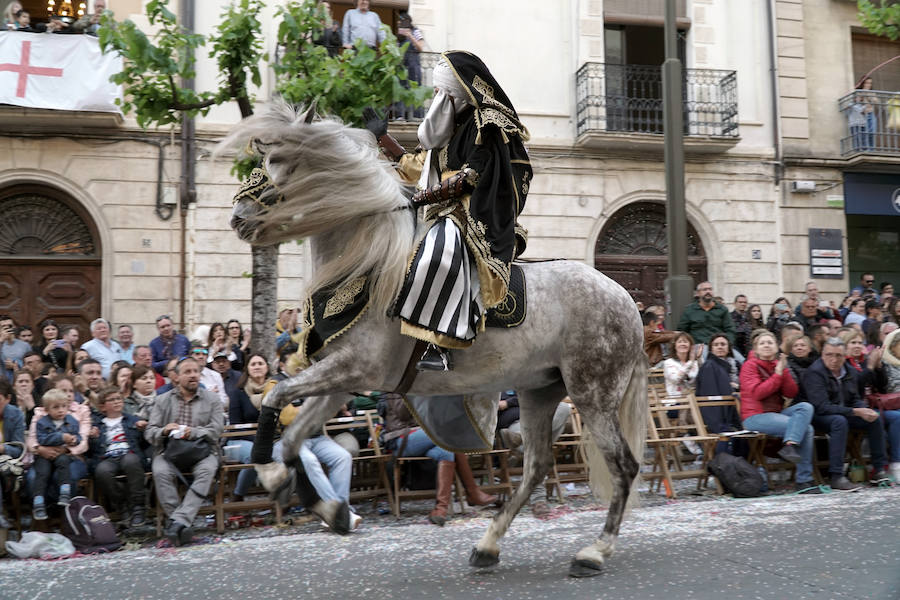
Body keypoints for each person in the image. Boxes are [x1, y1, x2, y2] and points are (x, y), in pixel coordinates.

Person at [368, 51, 533, 371]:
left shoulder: (486, 124)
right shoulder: (448, 126)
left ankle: (439, 341)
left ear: (455, 92)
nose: (434, 97)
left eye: (439, 91)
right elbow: (415, 167)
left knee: (438, 250)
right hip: (437, 206)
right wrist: (382, 137)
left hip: (474, 211)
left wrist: (422, 199)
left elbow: (470, 177)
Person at [379, 392, 498, 526]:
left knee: (447, 450)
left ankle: (440, 509)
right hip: (400, 438)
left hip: (424, 436)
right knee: (449, 435)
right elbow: (403, 414)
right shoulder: (394, 386)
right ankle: (473, 493)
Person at [145, 357, 223, 547]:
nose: (193, 375)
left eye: (195, 371)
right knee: (161, 471)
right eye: (187, 372)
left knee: (206, 471)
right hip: (169, 452)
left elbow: (217, 430)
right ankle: (181, 524)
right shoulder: (162, 400)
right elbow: (149, 432)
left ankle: (176, 523)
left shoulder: (212, 399)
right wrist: (164, 430)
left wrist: (193, 432)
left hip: (203, 451)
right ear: (176, 377)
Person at [802, 337, 890, 489]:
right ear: (822, 355)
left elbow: (854, 398)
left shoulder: (849, 370)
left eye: (838, 355)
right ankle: (836, 475)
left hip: (844, 411)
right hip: (817, 416)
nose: (834, 359)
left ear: (844, 356)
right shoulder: (815, 373)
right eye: (829, 355)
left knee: (874, 418)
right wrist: (856, 411)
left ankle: (879, 469)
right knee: (839, 422)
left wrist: (864, 409)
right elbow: (822, 407)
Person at [739, 331, 820, 493]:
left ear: (777, 347)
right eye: (763, 343)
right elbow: (758, 393)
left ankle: (790, 445)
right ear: (756, 349)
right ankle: (804, 479)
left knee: (805, 407)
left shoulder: (779, 364)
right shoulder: (749, 366)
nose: (767, 345)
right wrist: (777, 374)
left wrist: (784, 371)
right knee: (806, 428)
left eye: (770, 342)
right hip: (755, 416)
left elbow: (791, 393)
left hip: (777, 414)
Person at [88, 385, 149, 527]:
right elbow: (92, 450)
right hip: (107, 456)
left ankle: (138, 506)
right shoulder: (97, 424)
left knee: (131, 461)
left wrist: (142, 430)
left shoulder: (132, 420)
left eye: (119, 399)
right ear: (103, 407)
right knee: (102, 471)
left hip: (129, 453)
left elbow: (145, 444)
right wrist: (93, 438)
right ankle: (121, 505)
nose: (117, 402)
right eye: (112, 400)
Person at [31, 390, 82, 519]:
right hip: (44, 456)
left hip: (62, 454)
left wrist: (75, 440)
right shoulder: (41, 422)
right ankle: (39, 502)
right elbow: (42, 439)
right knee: (42, 474)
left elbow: (78, 436)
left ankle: (65, 492)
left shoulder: (72, 421)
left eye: (64, 406)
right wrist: (61, 437)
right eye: (56, 407)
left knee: (64, 462)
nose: (61, 410)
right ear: (47, 410)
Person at [694, 333, 746, 457]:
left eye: (723, 344)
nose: (720, 347)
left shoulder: (735, 365)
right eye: (716, 345)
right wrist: (719, 425)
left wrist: (737, 387)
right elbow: (709, 397)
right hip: (719, 415)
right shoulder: (709, 366)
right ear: (711, 348)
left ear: (729, 348)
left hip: (737, 410)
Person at [229, 353, 271, 501]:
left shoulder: (275, 390)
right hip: (239, 439)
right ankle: (238, 495)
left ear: (267, 367)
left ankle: (282, 496)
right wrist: (257, 438)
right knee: (256, 455)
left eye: (260, 363)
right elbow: (234, 425)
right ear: (247, 369)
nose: (257, 366)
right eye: (253, 364)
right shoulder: (237, 392)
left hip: (270, 438)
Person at [869, 329, 900, 481]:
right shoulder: (885, 364)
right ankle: (896, 463)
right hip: (888, 406)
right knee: (897, 417)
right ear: (892, 347)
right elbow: (887, 387)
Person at [676, 281, 736, 346]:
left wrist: (728, 344)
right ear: (698, 293)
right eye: (704, 289)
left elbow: (730, 330)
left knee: (739, 356)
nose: (708, 292)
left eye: (710, 289)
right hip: (698, 346)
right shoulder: (689, 310)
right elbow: (682, 331)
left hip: (718, 346)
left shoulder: (722, 309)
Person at [0, 379, 25, 530]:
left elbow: (19, 449)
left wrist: (2, 449)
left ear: (8, 398)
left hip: (7, 461)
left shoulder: (16, 414)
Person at [662, 332, 701, 398]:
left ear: (690, 346)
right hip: (675, 402)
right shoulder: (668, 363)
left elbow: (697, 381)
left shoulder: (695, 363)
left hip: (693, 400)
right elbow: (676, 379)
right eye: (680, 342)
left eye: (685, 342)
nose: (683, 344)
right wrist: (690, 362)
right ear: (675, 346)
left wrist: (698, 359)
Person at [1, 315, 32, 383]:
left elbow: (30, 364)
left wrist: (16, 365)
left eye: (10, 326)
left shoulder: (24, 345)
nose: (7, 328)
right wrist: (2, 340)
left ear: (14, 327)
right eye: (3, 327)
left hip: (19, 380)